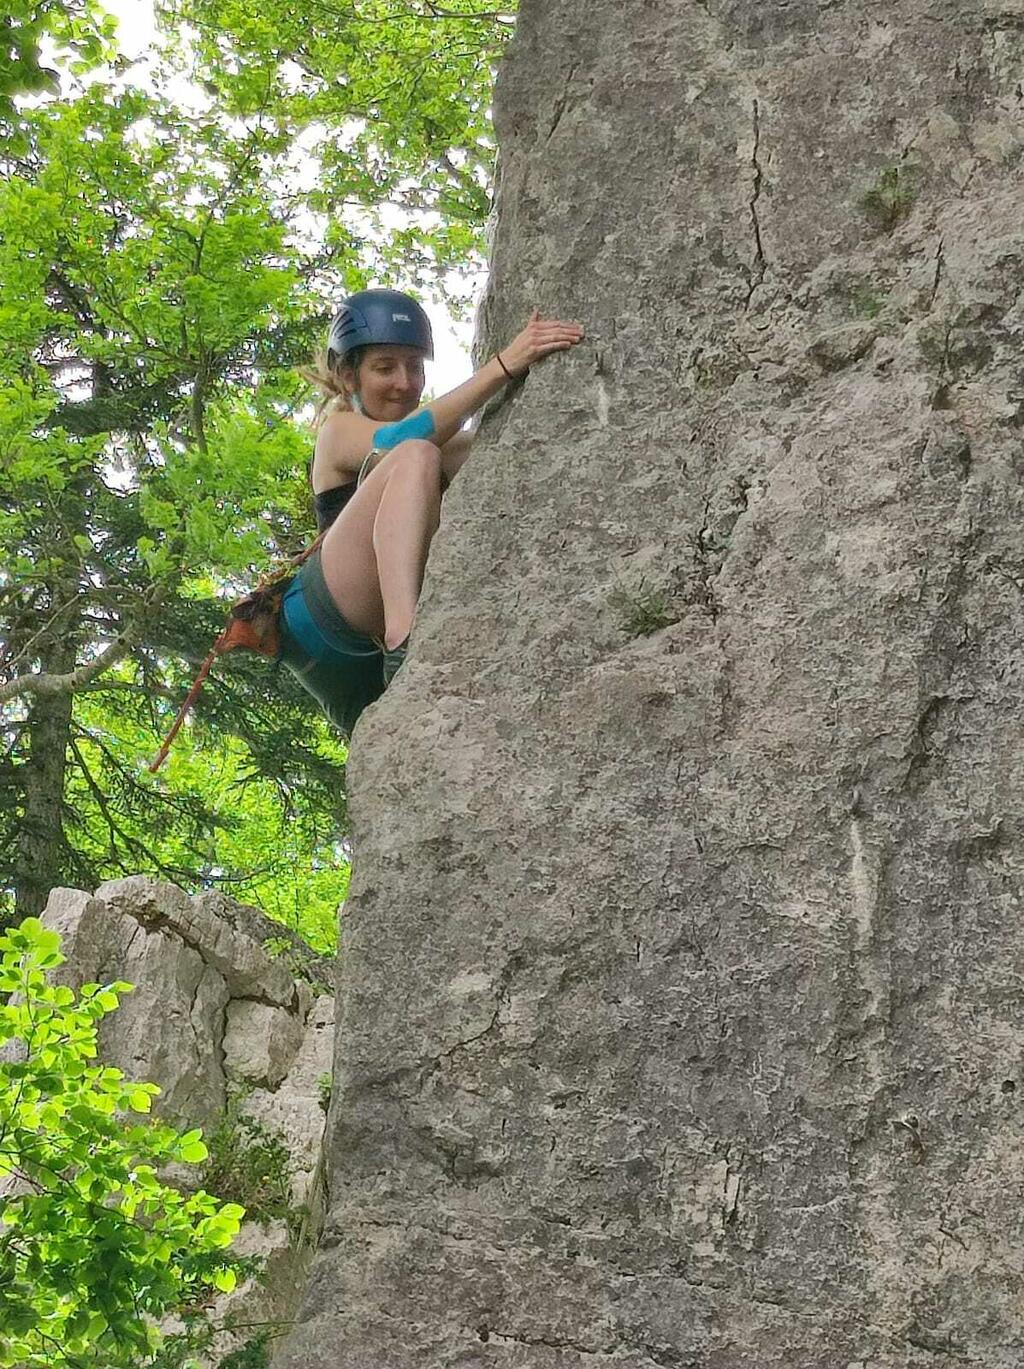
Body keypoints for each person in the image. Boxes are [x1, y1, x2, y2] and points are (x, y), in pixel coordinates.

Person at [277, 288, 585, 736]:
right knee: (417, 453)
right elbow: (398, 442)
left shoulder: (430, 443)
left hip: (361, 674)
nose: (405, 382)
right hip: (329, 620)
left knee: (459, 453)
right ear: (348, 376)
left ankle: (404, 649)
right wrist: (503, 365)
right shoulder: (337, 431)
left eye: (415, 366)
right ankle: (406, 643)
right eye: (384, 367)